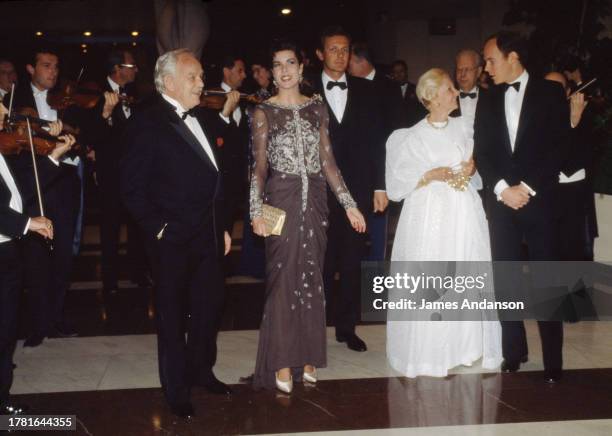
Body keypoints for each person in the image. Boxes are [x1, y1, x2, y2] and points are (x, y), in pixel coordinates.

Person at [120, 48, 234, 419]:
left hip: (210, 234)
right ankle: (176, 388)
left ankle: (202, 371)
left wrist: (225, 226)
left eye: (201, 76)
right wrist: (159, 229)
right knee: (171, 314)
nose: (202, 83)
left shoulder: (205, 117)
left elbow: (219, 177)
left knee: (208, 307)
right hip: (172, 238)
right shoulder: (145, 121)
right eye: (194, 77)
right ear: (169, 82)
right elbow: (131, 188)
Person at [250, 39, 366, 393]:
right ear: (272, 72)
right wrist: (255, 211)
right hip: (279, 200)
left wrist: (348, 203)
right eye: (277, 65)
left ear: (301, 68)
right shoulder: (263, 111)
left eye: (290, 63)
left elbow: (329, 163)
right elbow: (258, 168)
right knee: (283, 279)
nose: (284, 71)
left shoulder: (317, 108)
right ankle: (282, 361)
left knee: (312, 277)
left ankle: (310, 356)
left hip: (316, 199)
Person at [385, 68, 502, 377]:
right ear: (432, 97)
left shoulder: (464, 128)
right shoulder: (410, 136)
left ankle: (462, 346)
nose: (456, 93)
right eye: (449, 89)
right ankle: (427, 350)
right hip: (429, 215)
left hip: (462, 210)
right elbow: (396, 185)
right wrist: (428, 175)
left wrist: (470, 168)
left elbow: (474, 175)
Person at [474, 31, 570, 383]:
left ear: (513, 57)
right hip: (502, 204)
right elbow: (482, 151)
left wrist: (526, 188)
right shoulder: (487, 98)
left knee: (547, 282)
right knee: (506, 281)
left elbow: (558, 148)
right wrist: (502, 190)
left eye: (490, 60)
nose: (486, 67)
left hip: (540, 200)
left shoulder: (550, 93)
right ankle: (513, 353)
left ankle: (554, 364)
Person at [3, 48, 82, 345]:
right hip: (33, 185)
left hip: (63, 182)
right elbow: (14, 147)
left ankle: (57, 317)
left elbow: (84, 137)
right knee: (35, 257)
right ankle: (38, 324)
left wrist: (68, 139)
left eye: (56, 66)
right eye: (46, 66)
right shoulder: (15, 101)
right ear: (30, 68)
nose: (53, 72)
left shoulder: (66, 103)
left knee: (62, 254)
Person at [315, 26, 386, 352]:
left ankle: (347, 328)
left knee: (353, 262)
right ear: (320, 54)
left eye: (344, 49)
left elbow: (377, 143)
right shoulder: (304, 91)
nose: (340, 55)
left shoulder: (368, 91)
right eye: (333, 49)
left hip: (357, 193)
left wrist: (379, 186)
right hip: (317, 193)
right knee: (320, 265)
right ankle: (315, 329)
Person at [0, 102, 75, 415]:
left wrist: (53, 159)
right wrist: (28, 224)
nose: (6, 111)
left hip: (7, 252)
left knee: (5, 333)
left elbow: (20, 196)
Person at [90, 48, 149, 295]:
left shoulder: (135, 93)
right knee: (110, 227)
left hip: (133, 173)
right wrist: (105, 115)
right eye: (131, 66)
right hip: (111, 173)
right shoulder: (94, 94)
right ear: (117, 70)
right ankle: (110, 281)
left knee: (137, 225)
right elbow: (92, 134)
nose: (136, 69)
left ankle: (138, 274)